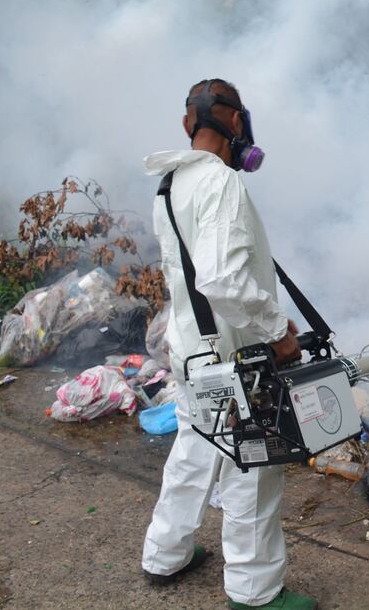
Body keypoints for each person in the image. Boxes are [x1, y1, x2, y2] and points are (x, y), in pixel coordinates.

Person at [141, 79, 316, 610]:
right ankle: (256, 591)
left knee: (195, 449)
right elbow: (222, 281)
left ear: (187, 125)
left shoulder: (170, 184)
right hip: (235, 361)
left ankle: (165, 554)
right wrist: (277, 332)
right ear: (236, 122)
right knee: (254, 469)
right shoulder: (220, 184)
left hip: (191, 353)